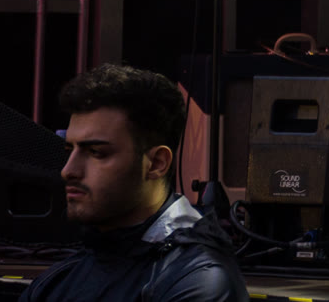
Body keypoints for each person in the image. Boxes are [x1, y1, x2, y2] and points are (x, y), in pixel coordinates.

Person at [25, 63, 248, 301]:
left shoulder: (199, 280)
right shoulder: (59, 279)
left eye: (96, 152)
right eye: (70, 150)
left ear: (156, 163)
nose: (68, 171)